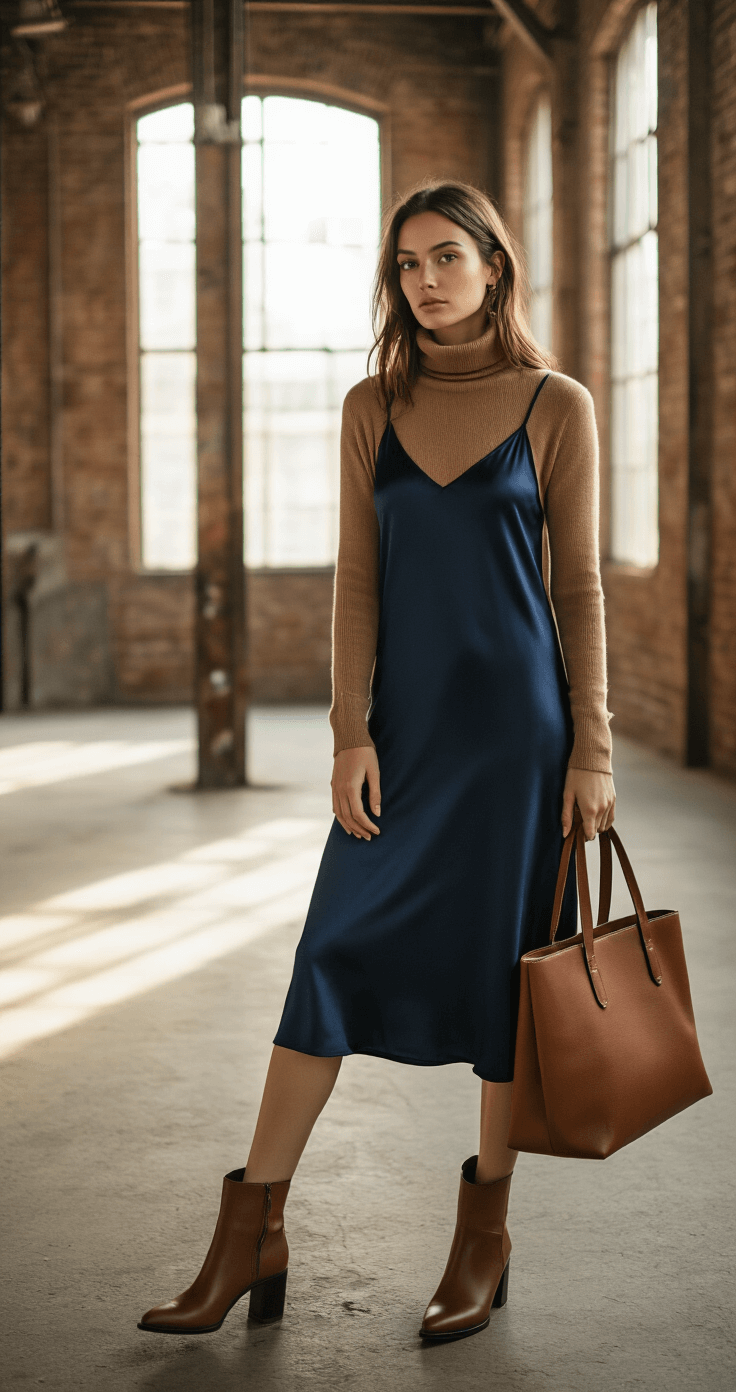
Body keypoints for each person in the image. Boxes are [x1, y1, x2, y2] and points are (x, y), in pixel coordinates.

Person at [138, 178, 616, 1343]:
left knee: (504, 983)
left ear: (493, 266)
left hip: (517, 743)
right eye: (407, 263)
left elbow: (577, 588)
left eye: (446, 256)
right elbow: (357, 583)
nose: (425, 280)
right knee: (330, 954)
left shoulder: (555, 403)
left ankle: (482, 1241)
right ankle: (251, 1231)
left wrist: (592, 750)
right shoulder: (372, 405)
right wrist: (349, 732)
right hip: (402, 737)